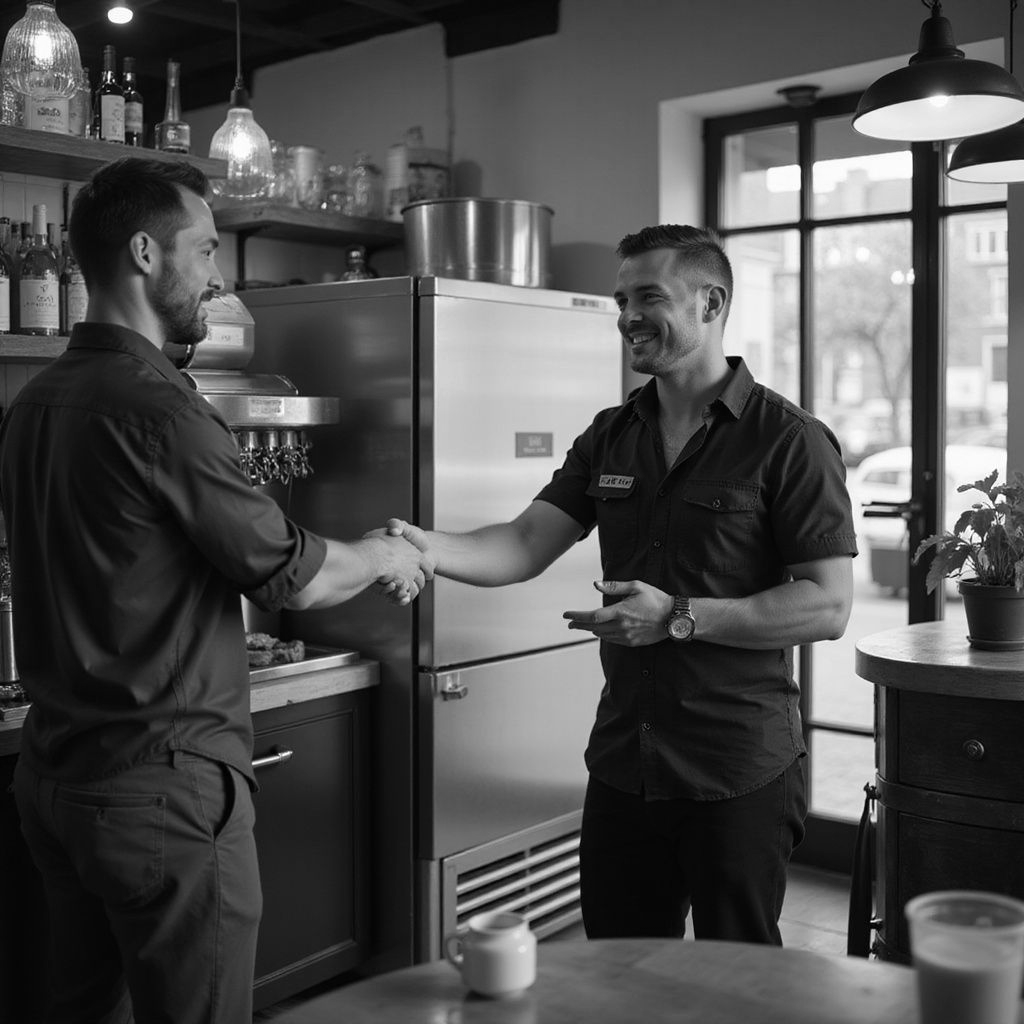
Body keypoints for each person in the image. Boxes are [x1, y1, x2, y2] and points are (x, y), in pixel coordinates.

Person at [0, 157, 432, 1024]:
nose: (217, 274)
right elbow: (289, 572)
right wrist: (387, 554)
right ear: (146, 254)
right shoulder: (164, 409)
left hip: (57, 780)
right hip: (161, 787)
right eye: (203, 249)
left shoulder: (34, 402)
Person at [381, 224, 857, 945]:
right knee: (619, 971)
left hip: (736, 768)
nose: (628, 315)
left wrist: (678, 616)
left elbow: (827, 604)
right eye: (621, 297)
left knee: (740, 981)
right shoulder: (610, 434)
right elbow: (522, 542)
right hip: (623, 765)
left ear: (711, 303)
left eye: (649, 296)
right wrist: (425, 547)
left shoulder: (788, 439)